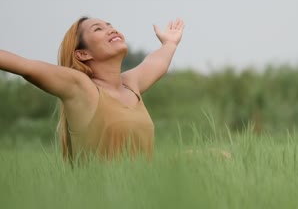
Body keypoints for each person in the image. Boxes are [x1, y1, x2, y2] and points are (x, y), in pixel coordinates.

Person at [0, 17, 184, 162]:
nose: (110, 29)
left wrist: (169, 44)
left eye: (109, 25)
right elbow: (26, 67)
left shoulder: (130, 84)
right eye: (98, 29)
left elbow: (157, 63)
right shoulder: (81, 88)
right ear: (82, 53)